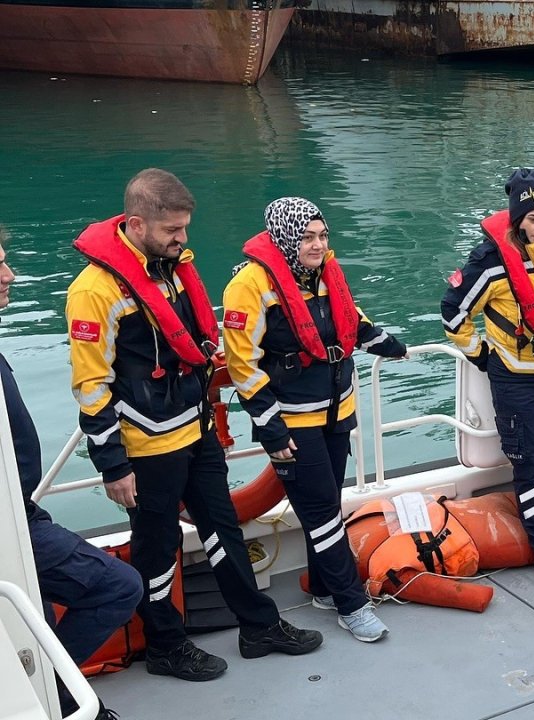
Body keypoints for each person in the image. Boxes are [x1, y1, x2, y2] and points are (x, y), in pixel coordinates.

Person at [65, 169, 322, 682]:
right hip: (147, 445)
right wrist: (113, 465)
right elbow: (90, 386)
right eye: (172, 231)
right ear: (137, 224)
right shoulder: (93, 292)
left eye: (184, 229)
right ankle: (165, 645)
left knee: (224, 529)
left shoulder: (173, 268)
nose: (183, 239)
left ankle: (259, 627)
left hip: (196, 429)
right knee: (156, 548)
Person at [222, 197, 407, 643]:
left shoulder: (326, 273)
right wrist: (270, 427)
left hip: (337, 411)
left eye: (323, 236)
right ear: (285, 237)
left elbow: (350, 321)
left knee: (325, 505)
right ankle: (351, 603)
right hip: (292, 424)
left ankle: (324, 589)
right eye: (307, 237)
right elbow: (242, 364)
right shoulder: (249, 286)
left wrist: (388, 344)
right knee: (323, 511)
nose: (317, 244)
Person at [1, 236, 141, 720]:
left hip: (21, 512)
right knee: (118, 586)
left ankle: (53, 690)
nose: (10, 276)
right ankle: (55, 692)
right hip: (10, 521)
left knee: (105, 589)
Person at [441, 168, 534, 591]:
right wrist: (482, 356)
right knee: (531, 469)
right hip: (517, 384)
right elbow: (453, 313)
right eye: (533, 219)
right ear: (516, 218)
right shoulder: (489, 265)